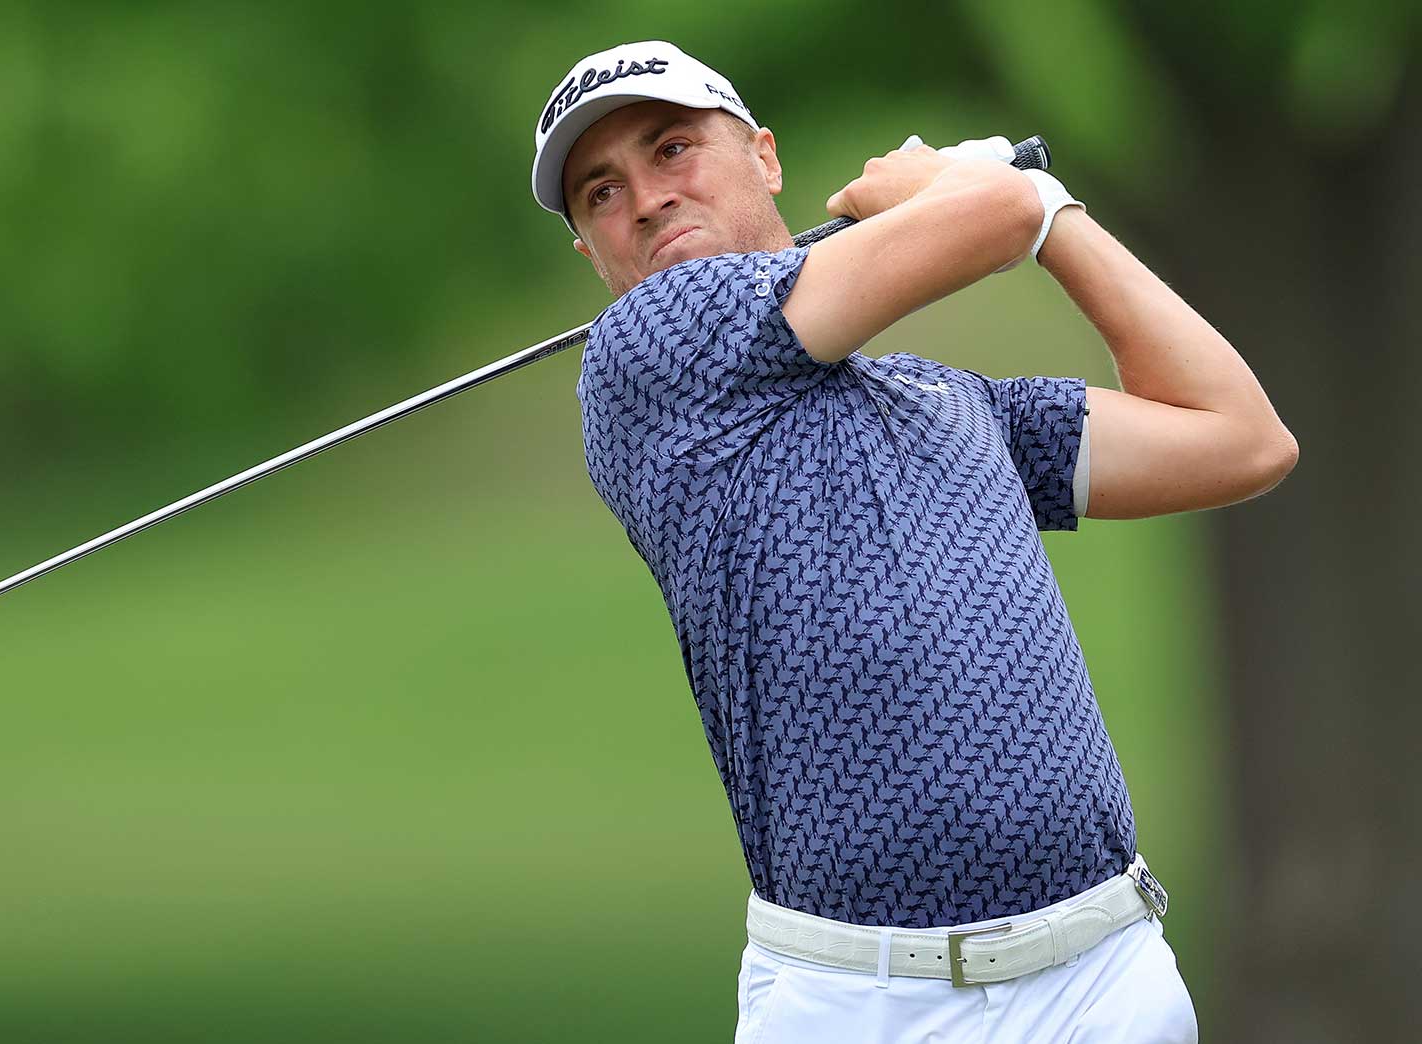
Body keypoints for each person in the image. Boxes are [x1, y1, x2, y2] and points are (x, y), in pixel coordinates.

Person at [531, 40, 1297, 1042]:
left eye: (671, 148)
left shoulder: (943, 402)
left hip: (1101, 980)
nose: (643, 199)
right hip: (870, 1006)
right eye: (599, 192)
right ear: (591, 254)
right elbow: (983, 221)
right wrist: (969, 188)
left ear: (762, 157)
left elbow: (1238, 438)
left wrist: (1055, 215)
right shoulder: (646, 358)